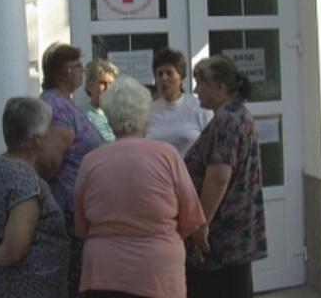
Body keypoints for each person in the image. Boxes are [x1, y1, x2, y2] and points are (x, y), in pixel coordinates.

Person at [74, 75, 206, 298]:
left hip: (104, 274)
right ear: (145, 113)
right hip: (158, 274)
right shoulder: (168, 156)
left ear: (108, 116)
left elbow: (81, 227)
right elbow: (191, 219)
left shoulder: (91, 162)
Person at [184, 54, 267, 298]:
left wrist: (200, 224)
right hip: (236, 236)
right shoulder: (239, 114)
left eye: (202, 83)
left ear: (220, 87)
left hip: (222, 238)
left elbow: (219, 176)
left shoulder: (227, 121)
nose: (197, 89)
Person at [0, 97, 69, 297]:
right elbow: (14, 251)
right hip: (25, 287)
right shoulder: (24, 182)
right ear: (36, 140)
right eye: (48, 129)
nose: (51, 134)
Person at [36, 42, 105, 297]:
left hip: (78, 208)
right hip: (68, 211)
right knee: (75, 281)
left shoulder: (64, 102)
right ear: (63, 71)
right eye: (77, 67)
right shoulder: (57, 106)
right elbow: (49, 163)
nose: (81, 72)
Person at [146, 47, 212, 156]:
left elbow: (211, 145)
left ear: (181, 78)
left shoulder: (199, 107)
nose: (164, 78)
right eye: (160, 74)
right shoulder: (148, 111)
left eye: (169, 73)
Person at [81, 58, 119, 141]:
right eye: (102, 83)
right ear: (90, 86)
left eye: (111, 83)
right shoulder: (82, 117)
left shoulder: (121, 114)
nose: (108, 88)